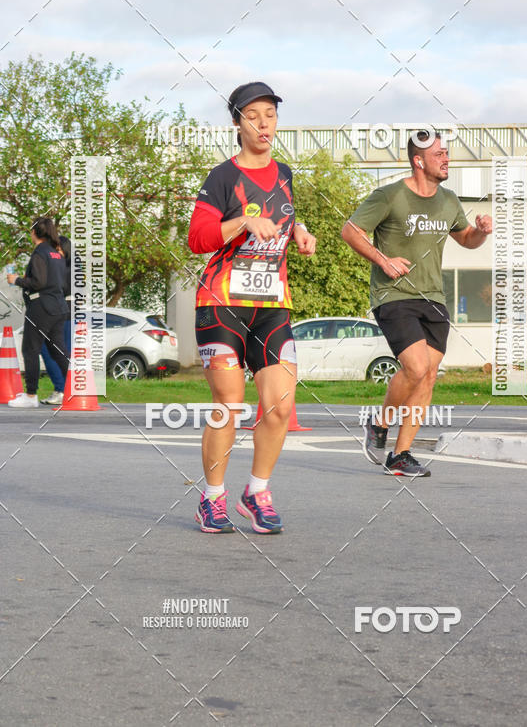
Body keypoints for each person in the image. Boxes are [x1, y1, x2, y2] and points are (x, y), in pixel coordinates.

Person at [188, 81, 316, 533]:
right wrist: (243, 220)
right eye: (254, 116)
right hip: (221, 303)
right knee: (229, 403)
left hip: (271, 305)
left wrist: (298, 231)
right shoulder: (222, 177)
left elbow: (282, 215)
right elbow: (197, 239)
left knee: (280, 404)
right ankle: (213, 498)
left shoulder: (285, 173)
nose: (264, 123)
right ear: (238, 123)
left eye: (271, 115)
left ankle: (256, 491)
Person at [341, 129, 492, 477]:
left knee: (428, 378)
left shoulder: (449, 200)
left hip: (433, 298)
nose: (446, 158)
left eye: (446, 152)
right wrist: (383, 260)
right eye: (439, 154)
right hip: (394, 295)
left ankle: (400, 455)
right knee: (416, 368)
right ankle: (379, 424)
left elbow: (466, 239)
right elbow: (351, 230)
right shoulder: (389, 196)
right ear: (418, 160)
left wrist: (481, 231)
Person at [7, 218, 69, 409]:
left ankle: (31, 395)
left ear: (34, 232)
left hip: (41, 307)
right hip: (58, 308)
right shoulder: (57, 254)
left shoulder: (39, 254)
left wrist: (17, 280)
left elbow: (38, 283)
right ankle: (75, 388)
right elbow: (56, 282)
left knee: (30, 350)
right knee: (57, 351)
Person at [39, 234, 72, 405]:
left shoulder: (68, 268)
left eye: (57, 249)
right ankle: (62, 389)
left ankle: (62, 389)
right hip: (59, 313)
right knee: (54, 351)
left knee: (50, 350)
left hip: (64, 314)